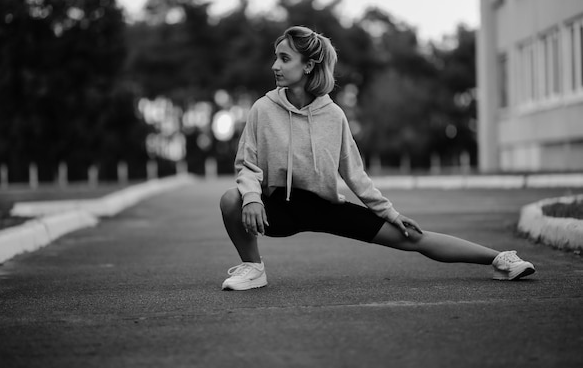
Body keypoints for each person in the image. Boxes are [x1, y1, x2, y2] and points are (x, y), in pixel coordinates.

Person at [219, 25, 535, 291]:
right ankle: (253, 268)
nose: (275, 65)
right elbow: (247, 163)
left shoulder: (333, 116)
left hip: (325, 207)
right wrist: (251, 198)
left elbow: (355, 174)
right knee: (231, 200)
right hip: (278, 207)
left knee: (413, 236)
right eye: (276, 57)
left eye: (284, 58)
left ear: (308, 65)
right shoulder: (263, 109)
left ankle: (500, 259)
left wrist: (391, 213)